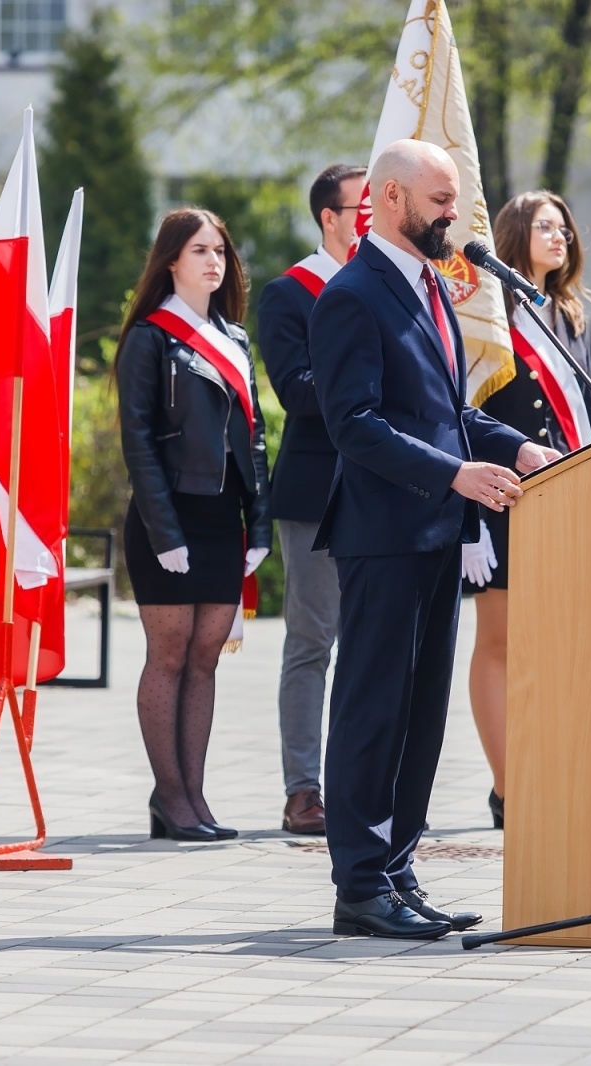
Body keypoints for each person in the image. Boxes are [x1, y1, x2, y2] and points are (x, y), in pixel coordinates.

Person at [309, 139, 561, 940]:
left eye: (454, 200)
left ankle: (398, 870)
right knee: (371, 711)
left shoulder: (429, 287)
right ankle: (358, 883)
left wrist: (511, 445)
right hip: (384, 534)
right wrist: (455, 474)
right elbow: (356, 427)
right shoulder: (354, 293)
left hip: (434, 532)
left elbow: (445, 412)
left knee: (420, 716)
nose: (455, 214)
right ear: (386, 197)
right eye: (440, 200)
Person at [117, 207, 272, 843]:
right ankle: (170, 798)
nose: (215, 261)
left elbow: (254, 440)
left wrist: (258, 524)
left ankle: (195, 797)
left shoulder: (233, 338)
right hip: (169, 518)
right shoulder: (150, 339)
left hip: (222, 519)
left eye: (221, 251)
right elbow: (140, 444)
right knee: (171, 654)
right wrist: (165, 532)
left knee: (206, 660)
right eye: (200, 250)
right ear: (172, 260)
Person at [463, 190, 591, 831]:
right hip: (505, 493)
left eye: (565, 229)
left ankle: (543, 769)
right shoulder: (491, 312)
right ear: (516, 233)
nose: (560, 238)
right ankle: (505, 786)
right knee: (500, 640)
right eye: (546, 227)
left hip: (568, 493)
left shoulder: (566, 311)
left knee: (548, 642)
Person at [257, 162, 366, 836]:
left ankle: (361, 781)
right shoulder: (289, 293)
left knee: (371, 644)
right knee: (311, 642)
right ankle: (304, 789)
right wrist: (363, 380)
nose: (373, 220)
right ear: (329, 217)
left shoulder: (392, 284)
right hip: (318, 492)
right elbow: (296, 392)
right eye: (362, 208)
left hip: (385, 490)